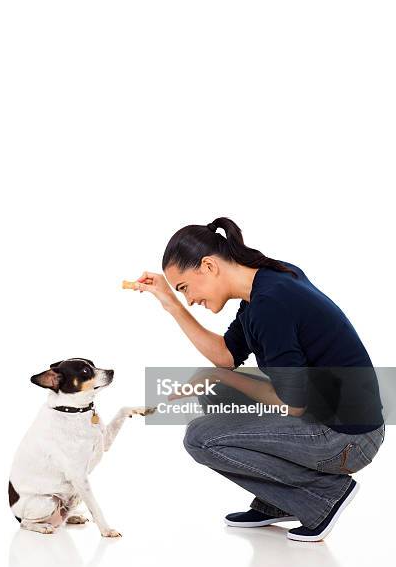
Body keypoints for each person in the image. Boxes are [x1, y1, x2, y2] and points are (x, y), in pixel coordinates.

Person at [130, 217, 385, 542]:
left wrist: (216, 375)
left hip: (346, 440)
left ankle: (324, 496)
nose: (189, 299)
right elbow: (226, 356)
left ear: (208, 266)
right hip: (333, 420)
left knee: (199, 436)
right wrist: (170, 304)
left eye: (184, 289)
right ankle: (280, 500)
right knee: (216, 392)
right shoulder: (264, 285)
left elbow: (292, 405)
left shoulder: (270, 305)